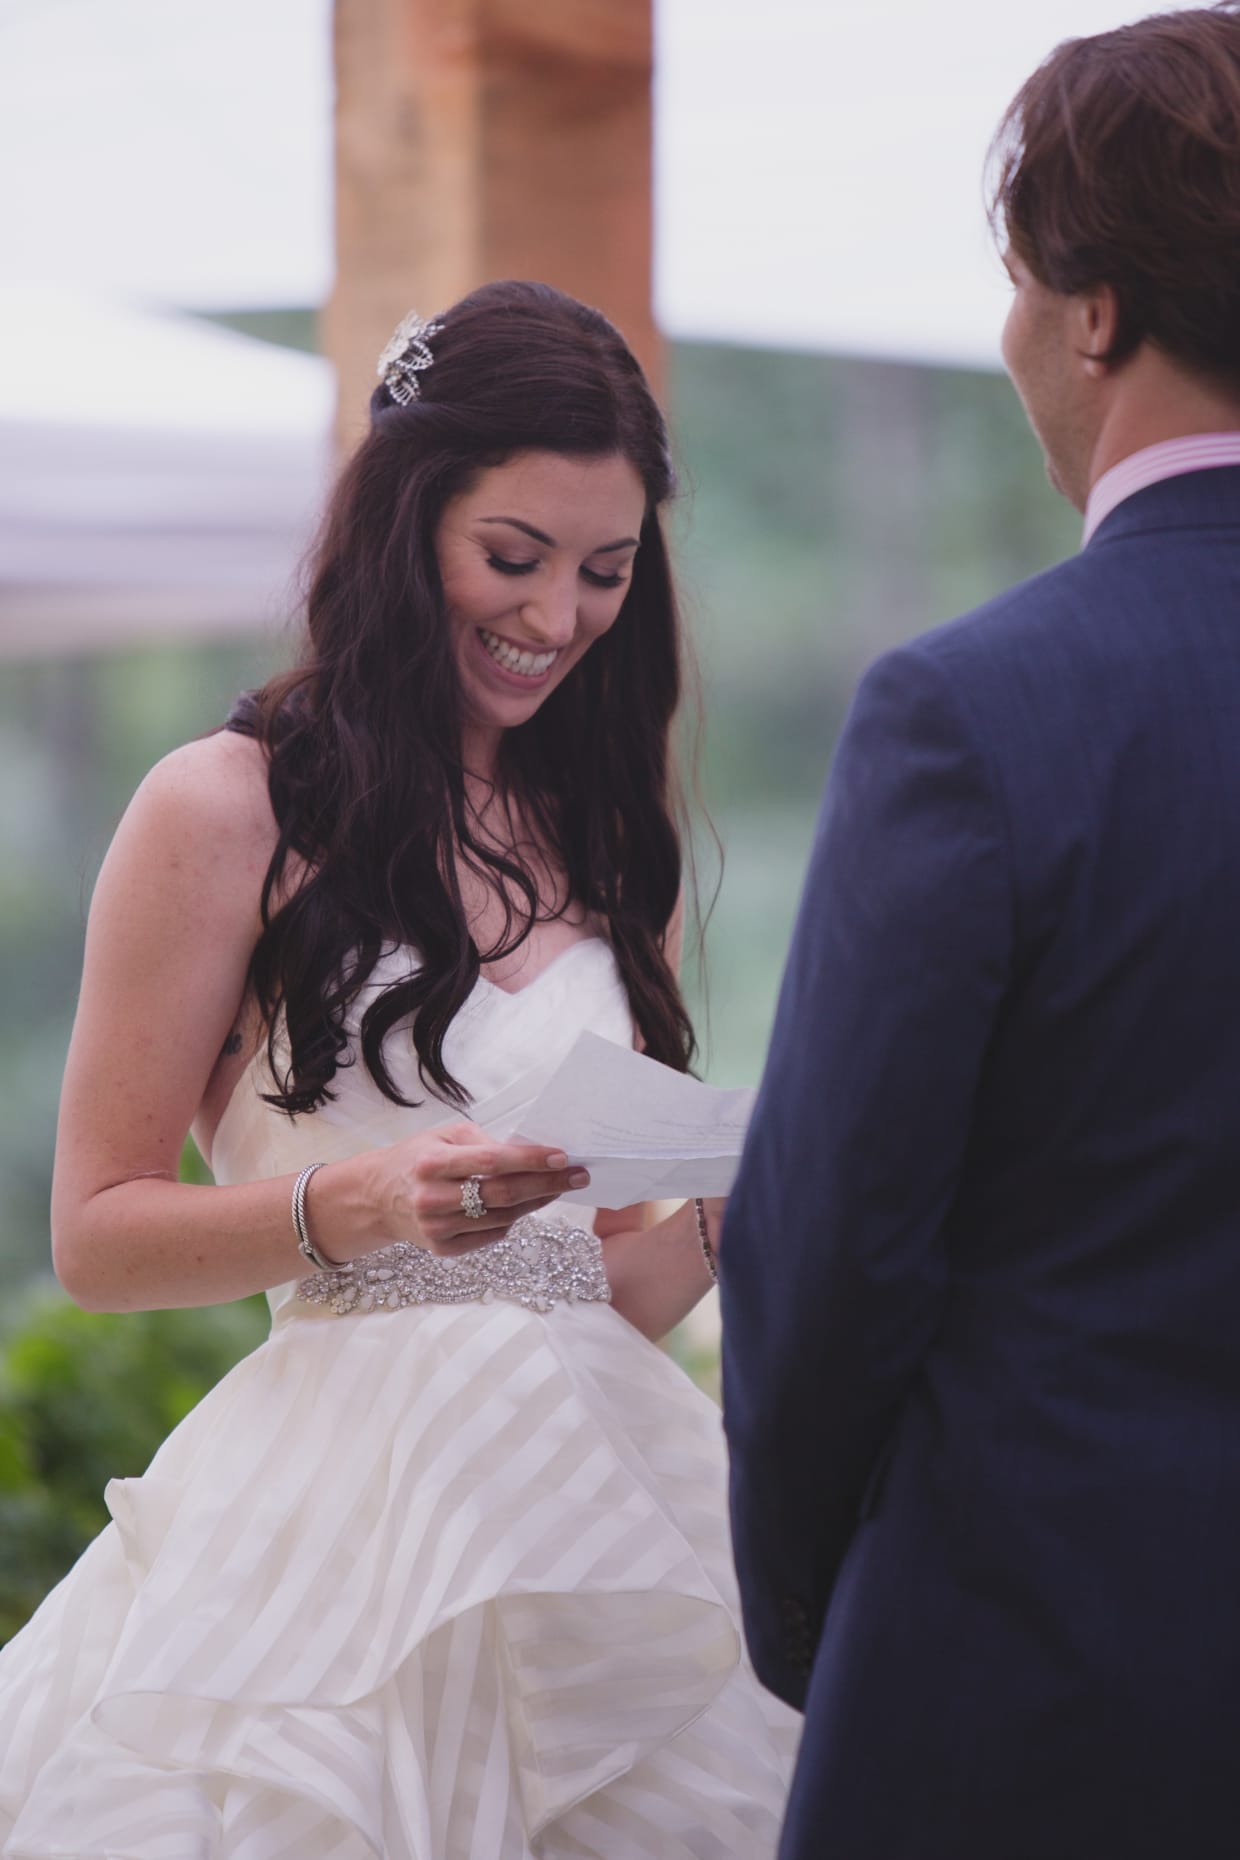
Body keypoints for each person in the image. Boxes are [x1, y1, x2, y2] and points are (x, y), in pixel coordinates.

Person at [0, 280, 798, 1858]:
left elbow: (599, 1290)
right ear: (400, 520)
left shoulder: (609, 843)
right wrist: (365, 1202)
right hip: (340, 1516)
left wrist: (745, 1193)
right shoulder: (224, 806)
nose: (556, 616)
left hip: (610, 1505)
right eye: (512, 557)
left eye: (606, 572)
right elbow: (95, 1234)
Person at [719, 8, 1240, 1858]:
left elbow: (835, 1243)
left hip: (1030, 1684)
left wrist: (820, 1631)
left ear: (1094, 310)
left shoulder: (975, 710)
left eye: (1017, 284)